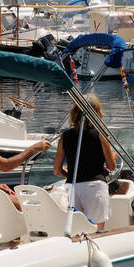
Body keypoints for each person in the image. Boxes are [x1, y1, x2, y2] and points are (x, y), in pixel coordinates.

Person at [53, 95, 119, 233]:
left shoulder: (64, 137)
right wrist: (113, 155)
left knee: (76, 231)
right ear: (97, 112)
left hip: (72, 188)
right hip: (94, 188)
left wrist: (70, 174)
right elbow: (111, 166)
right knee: (96, 231)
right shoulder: (100, 134)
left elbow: (57, 170)